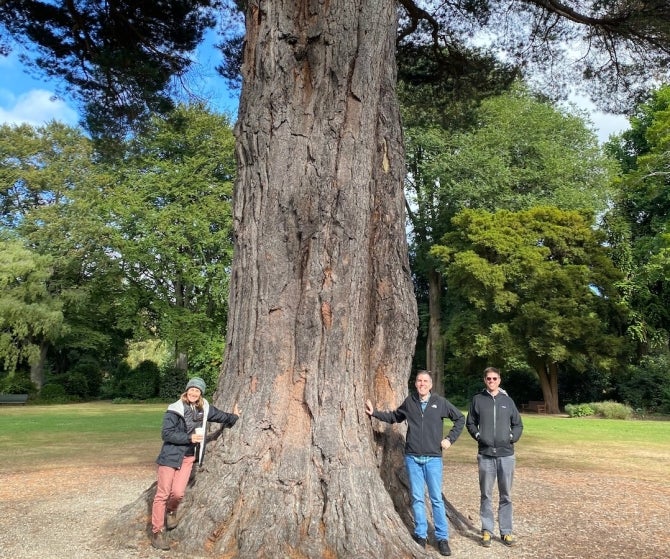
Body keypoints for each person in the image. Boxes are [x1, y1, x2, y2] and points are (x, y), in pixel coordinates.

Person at [365, 370, 465, 556]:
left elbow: (460, 419)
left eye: (425, 381)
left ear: (431, 384)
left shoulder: (440, 403)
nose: (422, 383)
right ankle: (421, 535)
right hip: (413, 458)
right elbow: (395, 417)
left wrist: (449, 440)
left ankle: (442, 538)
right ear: (415, 384)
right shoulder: (410, 402)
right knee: (417, 498)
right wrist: (374, 413)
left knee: (436, 499)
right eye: (419, 381)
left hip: (433, 458)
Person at [150, 377, 240, 551]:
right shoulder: (174, 410)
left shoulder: (204, 409)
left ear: (200, 394)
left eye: (197, 391)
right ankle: (157, 532)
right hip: (170, 456)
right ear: (186, 391)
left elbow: (222, 417)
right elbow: (166, 434)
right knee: (162, 494)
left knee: (177, 493)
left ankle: (171, 511)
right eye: (191, 389)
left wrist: (234, 416)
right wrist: (189, 438)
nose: (193, 393)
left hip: (189, 457)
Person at [466, 367, 523, 548]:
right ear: (485, 380)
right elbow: (470, 422)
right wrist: (478, 436)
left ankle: (506, 532)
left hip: (506, 455)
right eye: (489, 379)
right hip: (486, 454)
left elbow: (518, 424)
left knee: (506, 495)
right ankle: (487, 531)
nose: (491, 381)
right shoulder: (478, 400)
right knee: (486, 494)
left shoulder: (507, 400)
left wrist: (512, 437)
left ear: (500, 380)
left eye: (494, 378)